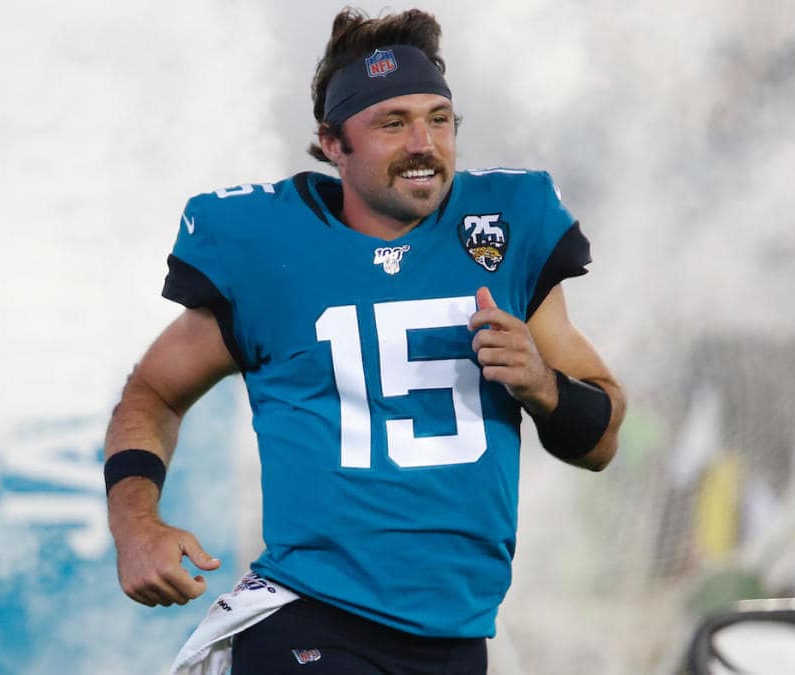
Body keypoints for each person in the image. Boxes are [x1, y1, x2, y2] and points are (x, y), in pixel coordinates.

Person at [103, 7, 625, 674]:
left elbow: (601, 440)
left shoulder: (504, 233)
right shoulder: (271, 251)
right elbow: (151, 393)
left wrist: (542, 386)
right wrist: (135, 524)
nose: (423, 143)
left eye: (439, 119)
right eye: (392, 122)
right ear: (332, 142)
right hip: (312, 615)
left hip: (456, 633)